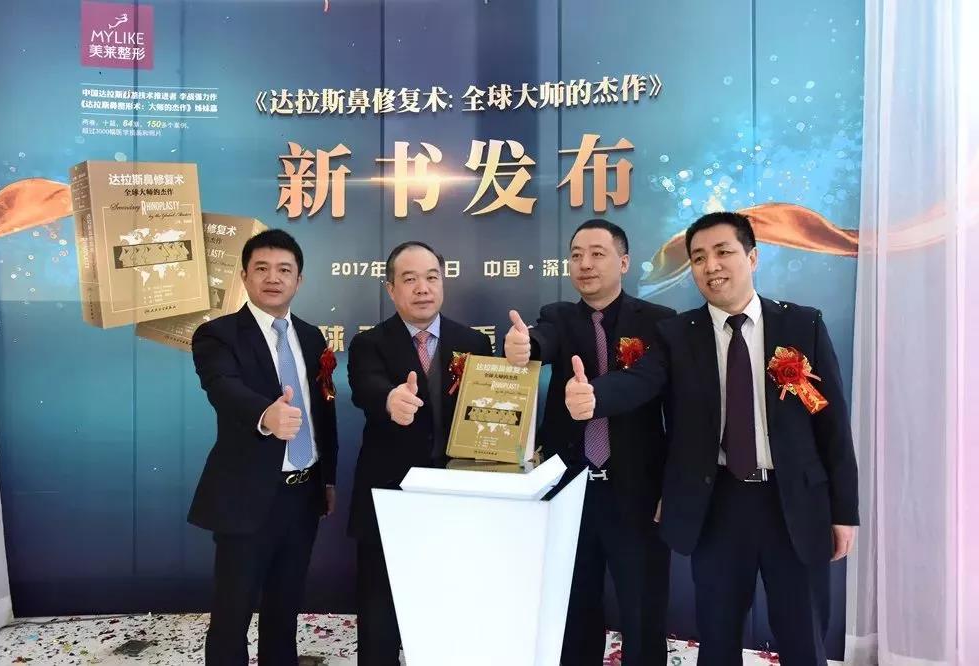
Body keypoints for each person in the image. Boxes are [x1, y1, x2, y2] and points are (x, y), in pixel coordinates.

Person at [565, 211, 859, 665]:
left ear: (752, 257)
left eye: (723, 252)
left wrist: (844, 511)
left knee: (803, 640)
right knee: (718, 641)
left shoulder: (803, 325)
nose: (711, 266)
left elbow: (832, 425)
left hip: (795, 504)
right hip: (717, 504)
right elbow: (641, 380)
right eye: (698, 257)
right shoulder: (678, 334)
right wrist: (595, 397)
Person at [504, 219, 675, 665]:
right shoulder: (558, 316)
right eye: (576, 255)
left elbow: (665, 397)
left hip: (638, 492)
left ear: (624, 262)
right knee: (574, 609)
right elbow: (541, 340)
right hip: (571, 490)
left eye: (597, 254)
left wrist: (672, 485)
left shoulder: (659, 322)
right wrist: (524, 348)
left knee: (643, 610)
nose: (585, 264)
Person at [188, 229, 338, 666]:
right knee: (232, 612)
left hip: (303, 493)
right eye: (262, 269)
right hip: (246, 494)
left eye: (284, 270)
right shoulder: (217, 335)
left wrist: (327, 479)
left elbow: (324, 411)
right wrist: (265, 414)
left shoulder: (312, 337)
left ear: (299, 280)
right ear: (244, 276)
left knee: (284, 608)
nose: (273, 278)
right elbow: (222, 386)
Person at [347, 241, 492, 665]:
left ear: (443, 282)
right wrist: (390, 399)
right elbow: (366, 386)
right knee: (379, 608)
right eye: (409, 279)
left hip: (457, 496)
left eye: (431, 277)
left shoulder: (474, 342)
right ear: (391, 289)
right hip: (389, 493)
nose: (422, 288)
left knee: (451, 605)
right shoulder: (369, 343)